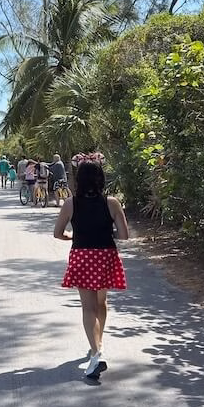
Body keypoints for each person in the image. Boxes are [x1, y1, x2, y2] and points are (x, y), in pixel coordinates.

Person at [53, 155, 129, 379]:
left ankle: (96, 353)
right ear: (101, 178)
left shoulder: (70, 203)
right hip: (105, 256)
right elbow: (124, 235)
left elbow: (58, 233)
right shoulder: (112, 202)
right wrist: (105, 231)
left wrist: (72, 236)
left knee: (88, 307)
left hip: (82, 256)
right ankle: (99, 343)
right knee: (101, 302)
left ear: (78, 180)